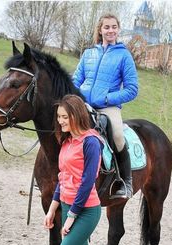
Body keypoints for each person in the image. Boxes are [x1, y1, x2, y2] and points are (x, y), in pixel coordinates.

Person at [44, 94, 103, 245]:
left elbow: (87, 182)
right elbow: (63, 177)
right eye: (58, 117)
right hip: (69, 206)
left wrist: (71, 217)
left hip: (86, 211)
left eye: (64, 117)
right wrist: (52, 210)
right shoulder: (67, 141)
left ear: (76, 115)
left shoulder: (91, 142)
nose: (60, 121)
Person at [73, 13, 138, 199]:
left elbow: (132, 89)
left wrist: (108, 98)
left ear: (118, 30)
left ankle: (125, 182)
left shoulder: (124, 55)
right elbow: (76, 80)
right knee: (61, 124)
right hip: (83, 104)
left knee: (117, 135)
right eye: (106, 27)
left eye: (114, 27)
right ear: (100, 30)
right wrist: (74, 96)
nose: (110, 30)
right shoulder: (89, 53)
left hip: (108, 107)